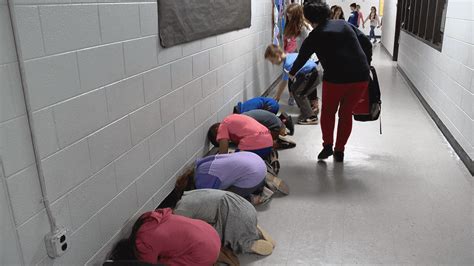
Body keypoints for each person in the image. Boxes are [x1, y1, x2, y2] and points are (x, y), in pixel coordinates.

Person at [289, 1, 372, 162]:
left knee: (328, 113)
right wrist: (366, 64)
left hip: (335, 79)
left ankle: (327, 146)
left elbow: (302, 57)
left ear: (309, 18)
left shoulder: (315, 35)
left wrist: (292, 74)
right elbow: (367, 44)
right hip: (360, 77)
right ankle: (339, 151)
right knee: (346, 113)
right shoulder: (344, 24)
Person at [160, 189, 276, 256]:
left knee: (210, 237)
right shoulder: (189, 193)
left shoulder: (180, 212)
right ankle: (252, 227)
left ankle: (248, 243)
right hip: (245, 206)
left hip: (235, 215)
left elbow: (183, 233)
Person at [109, 208, 221, 266]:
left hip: (204, 252)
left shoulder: (143, 244)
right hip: (211, 233)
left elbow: (148, 264)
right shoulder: (150, 219)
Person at [265, 44, 320, 125]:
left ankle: (311, 117)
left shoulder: (287, 64)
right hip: (311, 74)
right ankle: (308, 108)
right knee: (294, 88)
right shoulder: (290, 56)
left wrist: (277, 97)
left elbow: (284, 81)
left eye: (272, 61)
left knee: (299, 93)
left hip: (312, 75)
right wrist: (277, 96)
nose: (273, 63)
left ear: (277, 56)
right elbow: (284, 81)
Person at [284, 3, 320, 115]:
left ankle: (314, 105)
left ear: (296, 16)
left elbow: (309, 46)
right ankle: (309, 105)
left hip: (311, 57)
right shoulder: (295, 26)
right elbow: (299, 46)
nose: (288, 18)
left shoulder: (304, 28)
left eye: (290, 16)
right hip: (304, 56)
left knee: (309, 84)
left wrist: (301, 61)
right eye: (287, 16)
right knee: (304, 83)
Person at [208, 114, 274, 159]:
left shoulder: (223, 125)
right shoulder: (233, 117)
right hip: (269, 142)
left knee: (234, 161)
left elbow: (223, 154)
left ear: (217, 130)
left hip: (257, 145)